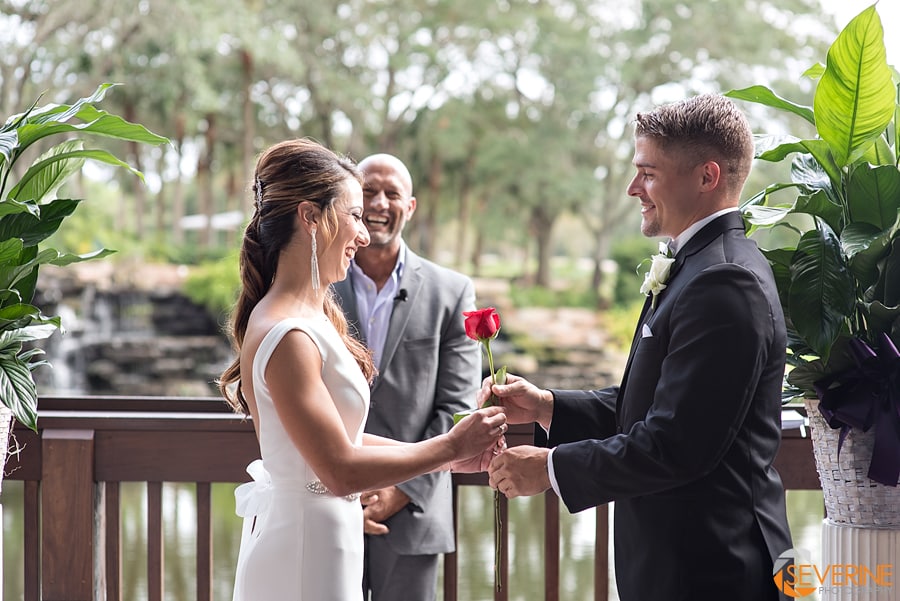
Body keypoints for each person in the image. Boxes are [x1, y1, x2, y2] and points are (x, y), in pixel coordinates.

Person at [485, 94, 793, 600]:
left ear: (706, 176)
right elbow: (655, 404)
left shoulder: (725, 281)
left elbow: (677, 444)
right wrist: (548, 406)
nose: (634, 189)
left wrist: (551, 467)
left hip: (715, 571)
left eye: (647, 173)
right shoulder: (698, 266)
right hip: (684, 566)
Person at [218, 138, 507, 601]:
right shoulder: (287, 333)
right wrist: (449, 444)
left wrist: (449, 455)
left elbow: (342, 435)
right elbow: (339, 469)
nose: (364, 233)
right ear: (310, 217)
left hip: (327, 539)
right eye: (353, 214)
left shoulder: (310, 316)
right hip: (303, 549)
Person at [330, 153, 481, 601]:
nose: (379, 202)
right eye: (368, 191)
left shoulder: (452, 292)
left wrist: (401, 488)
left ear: (409, 206)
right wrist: (344, 487)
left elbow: (457, 406)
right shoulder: (317, 286)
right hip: (329, 502)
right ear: (352, 202)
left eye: (391, 193)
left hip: (414, 512)